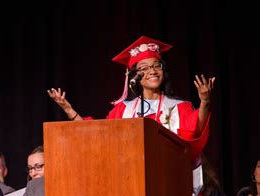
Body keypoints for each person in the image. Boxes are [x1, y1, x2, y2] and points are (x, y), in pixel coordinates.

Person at [47, 35, 215, 163]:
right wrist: (69, 110)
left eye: (157, 65)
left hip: (169, 179)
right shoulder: (122, 110)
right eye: (144, 68)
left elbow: (195, 133)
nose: (153, 71)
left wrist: (205, 102)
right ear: (133, 75)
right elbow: (97, 136)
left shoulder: (179, 107)